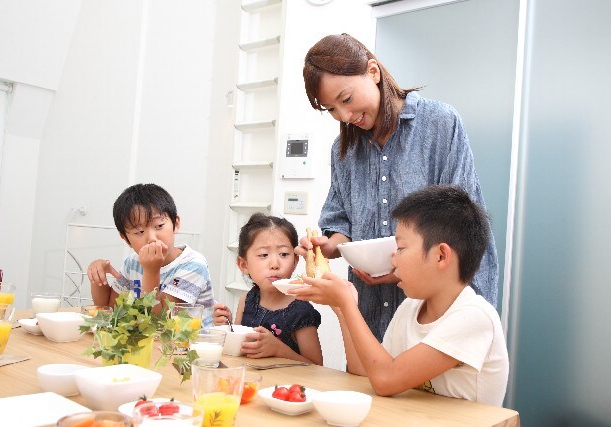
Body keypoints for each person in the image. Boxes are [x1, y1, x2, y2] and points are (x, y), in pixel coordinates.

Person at [296, 33, 499, 341]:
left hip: (437, 315)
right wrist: (328, 246)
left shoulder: (440, 124)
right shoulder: (344, 150)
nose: (345, 116)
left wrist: (407, 268)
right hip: (371, 317)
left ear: (373, 72)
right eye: (332, 109)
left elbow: (463, 225)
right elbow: (341, 227)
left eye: (347, 99)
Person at [293, 185, 509, 406]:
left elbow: (386, 379)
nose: (393, 259)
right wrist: (342, 309)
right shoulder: (411, 307)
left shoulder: (474, 317)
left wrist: (347, 305)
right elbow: (366, 370)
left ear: (441, 256)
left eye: (401, 248)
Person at [213, 213, 323, 365]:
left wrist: (279, 350)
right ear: (244, 265)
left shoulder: (301, 311)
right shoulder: (247, 300)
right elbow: (240, 352)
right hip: (251, 383)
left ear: (295, 261)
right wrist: (226, 329)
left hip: (286, 386)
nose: (275, 264)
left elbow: (316, 367)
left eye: (284, 254)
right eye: (264, 254)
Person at [87, 183, 214, 312]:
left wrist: (151, 271)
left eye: (159, 226)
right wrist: (97, 276)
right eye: (139, 232)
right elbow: (111, 308)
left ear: (175, 224)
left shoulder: (193, 265)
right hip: (145, 332)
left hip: (189, 332)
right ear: (125, 239)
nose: (152, 238)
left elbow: (161, 320)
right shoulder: (132, 263)